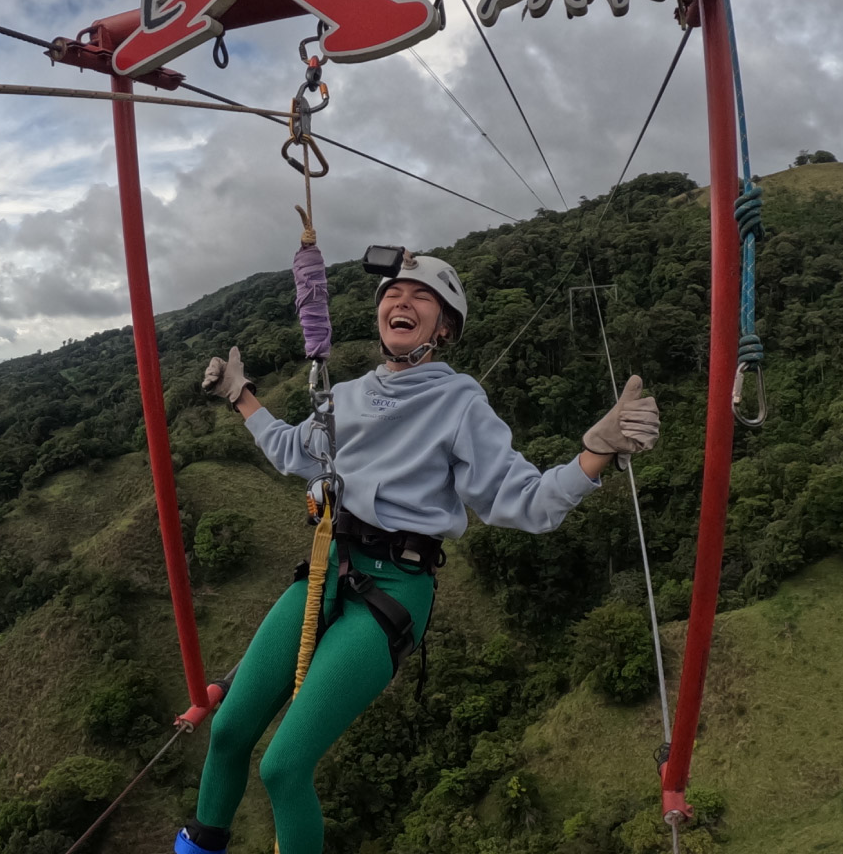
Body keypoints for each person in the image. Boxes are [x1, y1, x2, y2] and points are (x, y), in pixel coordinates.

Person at [175, 250, 660, 854]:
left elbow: (527, 501)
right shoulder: (346, 396)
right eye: (392, 294)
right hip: (325, 571)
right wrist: (240, 394)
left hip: (392, 591)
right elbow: (292, 451)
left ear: (445, 327)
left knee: (283, 767)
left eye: (420, 297)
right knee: (228, 732)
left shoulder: (460, 403)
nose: (400, 302)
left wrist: (598, 453)